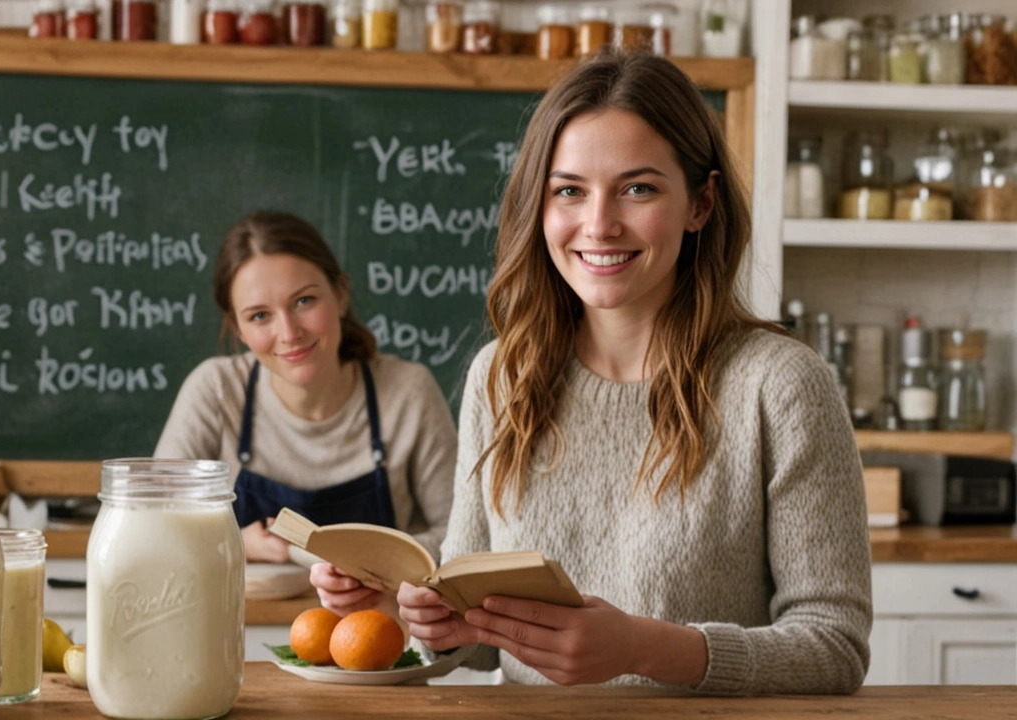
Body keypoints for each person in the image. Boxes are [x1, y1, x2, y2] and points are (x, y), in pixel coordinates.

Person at [311, 49, 872, 694]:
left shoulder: (780, 385)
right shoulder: (502, 376)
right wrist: (409, 612)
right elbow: (477, 638)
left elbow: (835, 647)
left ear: (701, 202)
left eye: (639, 188)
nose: (599, 225)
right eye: (569, 191)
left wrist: (645, 647)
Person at [154, 210, 457, 564]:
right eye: (259, 316)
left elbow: (462, 535)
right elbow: (152, 529)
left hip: (375, 618)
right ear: (237, 328)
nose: (289, 333)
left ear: (340, 294)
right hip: (243, 618)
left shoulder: (408, 392)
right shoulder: (216, 391)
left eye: (304, 301)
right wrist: (233, 542)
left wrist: (374, 565)